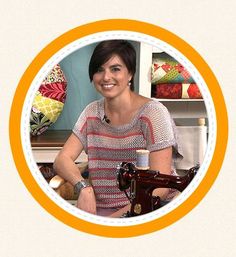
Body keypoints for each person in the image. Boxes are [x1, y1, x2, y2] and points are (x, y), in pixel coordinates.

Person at [53, 40, 182, 218]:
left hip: (149, 209)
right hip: (100, 212)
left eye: (115, 69)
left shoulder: (152, 114)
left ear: (130, 73)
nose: (106, 77)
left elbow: (160, 188)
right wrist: (84, 188)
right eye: (99, 69)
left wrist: (110, 221)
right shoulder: (92, 112)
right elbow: (62, 159)